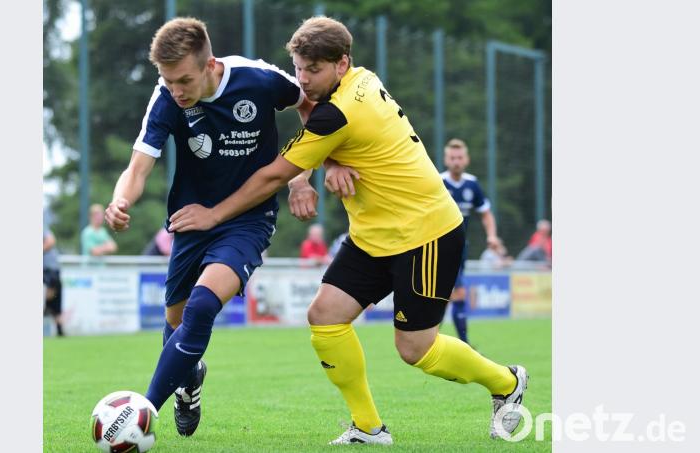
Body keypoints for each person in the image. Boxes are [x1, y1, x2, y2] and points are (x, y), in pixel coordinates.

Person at [167, 16, 528, 445]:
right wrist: (330, 163)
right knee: (325, 316)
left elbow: (273, 175)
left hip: (426, 233)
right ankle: (368, 427)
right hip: (374, 236)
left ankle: (506, 383)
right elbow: (319, 132)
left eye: (312, 70)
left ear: (342, 63)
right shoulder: (362, 80)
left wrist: (213, 215)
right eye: (298, 68)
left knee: (416, 350)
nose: (302, 79)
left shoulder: (339, 113)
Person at [103, 17, 313, 437]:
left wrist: (301, 175)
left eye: (183, 80)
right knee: (176, 323)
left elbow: (309, 105)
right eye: (167, 80)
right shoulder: (165, 97)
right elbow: (138, 166)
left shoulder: (258, 79)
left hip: (249, 220)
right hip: (190, 221)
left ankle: (141, 413)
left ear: (209, 65)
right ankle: (189, 380)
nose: (175, 90)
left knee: (201, 308)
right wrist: (119, 199)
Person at [440, 138, 500, 345]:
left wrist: (491, 236)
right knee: (457, 292)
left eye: (460, 157)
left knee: (445, 294)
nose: (456, 161)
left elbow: (486, 214)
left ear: (466, 159)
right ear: (445, 160)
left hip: (461, 248)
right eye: (452, 158)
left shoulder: (472, 184)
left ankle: (429, 341)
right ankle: (464, 343)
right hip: (440, 247)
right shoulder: (437, 182)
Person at [43, 207, 64, 336]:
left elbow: (51, 241)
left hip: (50, 270)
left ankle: (60, 330)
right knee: (51, 300)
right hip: (48, 270)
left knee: (54, 300)